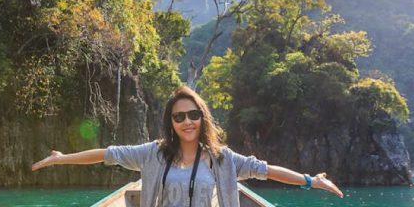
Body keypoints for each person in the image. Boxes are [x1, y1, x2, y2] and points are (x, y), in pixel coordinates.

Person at [31, 86, 344, 207]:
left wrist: (310, 181)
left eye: (193, 114)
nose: (187, 121)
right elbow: (106, 154)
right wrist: (61, 159)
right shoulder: (152, 154)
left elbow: (267, 171)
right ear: (172, 122)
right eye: (179, 116)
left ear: (202, 117)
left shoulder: (223, 159)